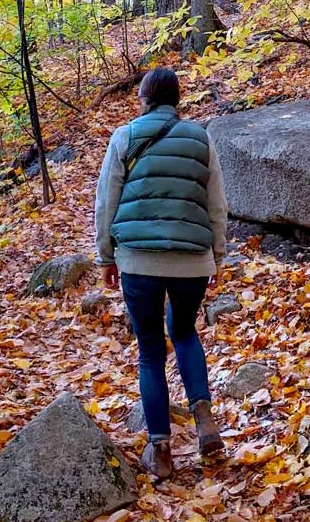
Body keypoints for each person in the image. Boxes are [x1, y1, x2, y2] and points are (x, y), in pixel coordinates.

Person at [94, 66, 228, 480]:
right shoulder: (201, 138)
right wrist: (217, 257)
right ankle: (203, 415)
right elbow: (217, 205)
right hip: (191, 260)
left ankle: (162, 450)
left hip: (138, 260)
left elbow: (105, 203)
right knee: (185, 331)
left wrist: (106, 258)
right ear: (177, 98)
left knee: (151, 349)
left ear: (145, 97)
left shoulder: (125, 136)